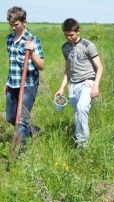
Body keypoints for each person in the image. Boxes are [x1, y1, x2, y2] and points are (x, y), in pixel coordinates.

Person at [54, 18, 104, 148]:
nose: (69, 37)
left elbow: (99, 67)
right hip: (73, 86)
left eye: (71, 34)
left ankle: (82, 144)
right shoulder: (65, 48)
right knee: (78, 114)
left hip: (87, 83)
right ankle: (80, 139)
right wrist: (61, 87)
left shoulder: (88, 46)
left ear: (78, 31)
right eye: (66, 35)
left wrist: (95, 86)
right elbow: (67, 70)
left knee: (82, 109)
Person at [5, 6, 45, 149]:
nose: (13, 28)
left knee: (21, 120)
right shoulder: (9, 39)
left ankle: (21, 154)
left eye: (16, 25)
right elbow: (12, 63)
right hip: (12, 83)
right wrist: (7, 82)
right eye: (11, 25)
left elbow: (41, 65)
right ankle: (32, 129)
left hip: (28, 84)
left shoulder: (33, 40)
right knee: (10, 117)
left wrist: (32, 52)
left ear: (24, 22)